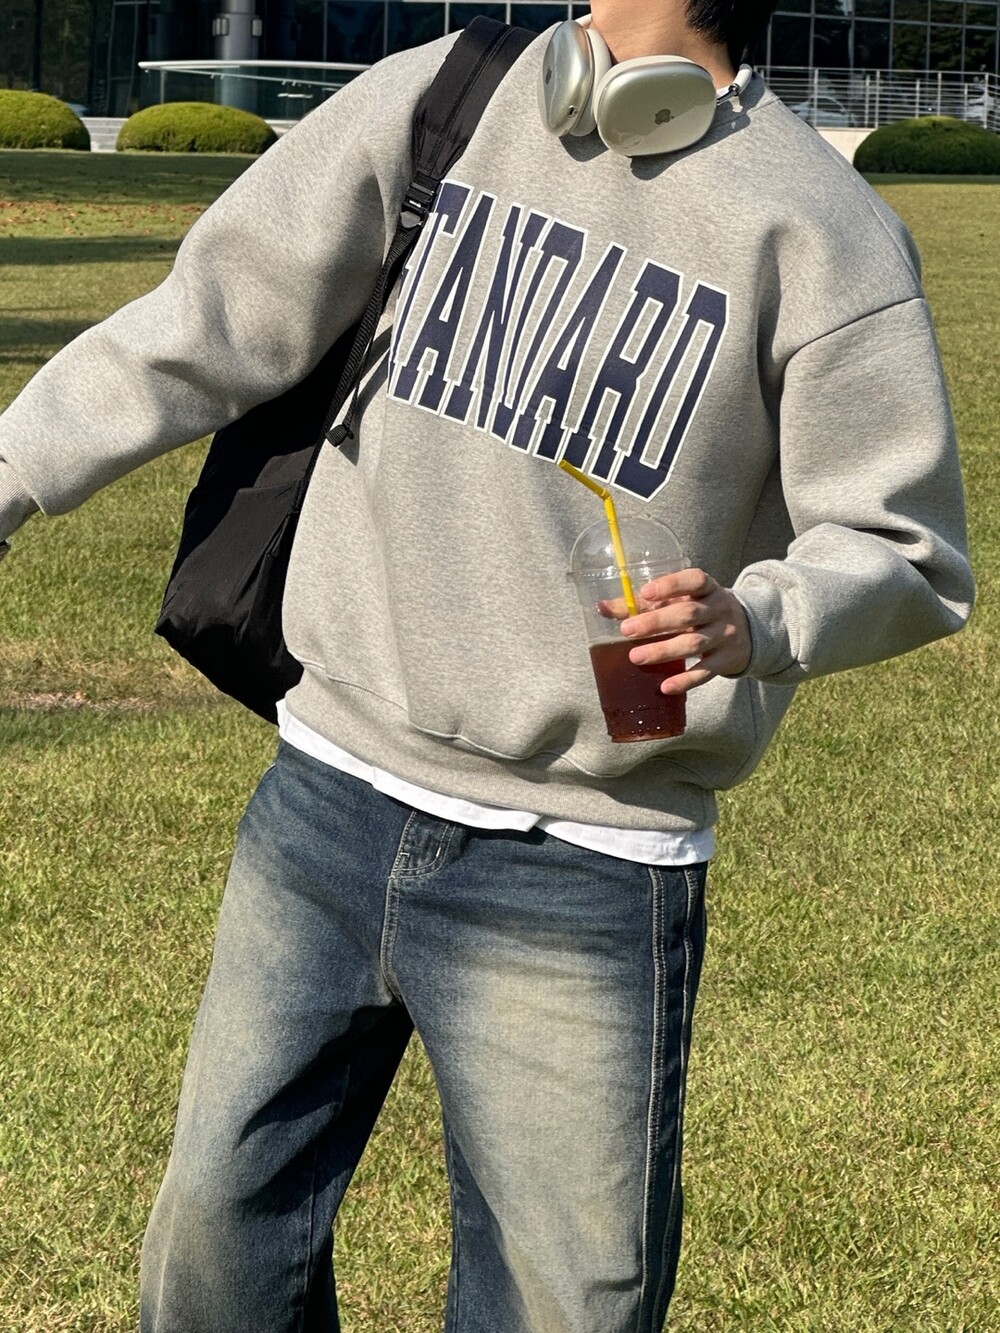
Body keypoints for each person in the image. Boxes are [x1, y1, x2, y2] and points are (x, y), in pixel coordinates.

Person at [0, 1, 974, 1329]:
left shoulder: (819, 229)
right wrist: (13, 472)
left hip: (587, 862)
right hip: (327, 797)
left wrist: (763, 616)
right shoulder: (443, 95)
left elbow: (908, 549)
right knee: (215, 1256)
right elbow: (211, 318)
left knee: (559, 1307)